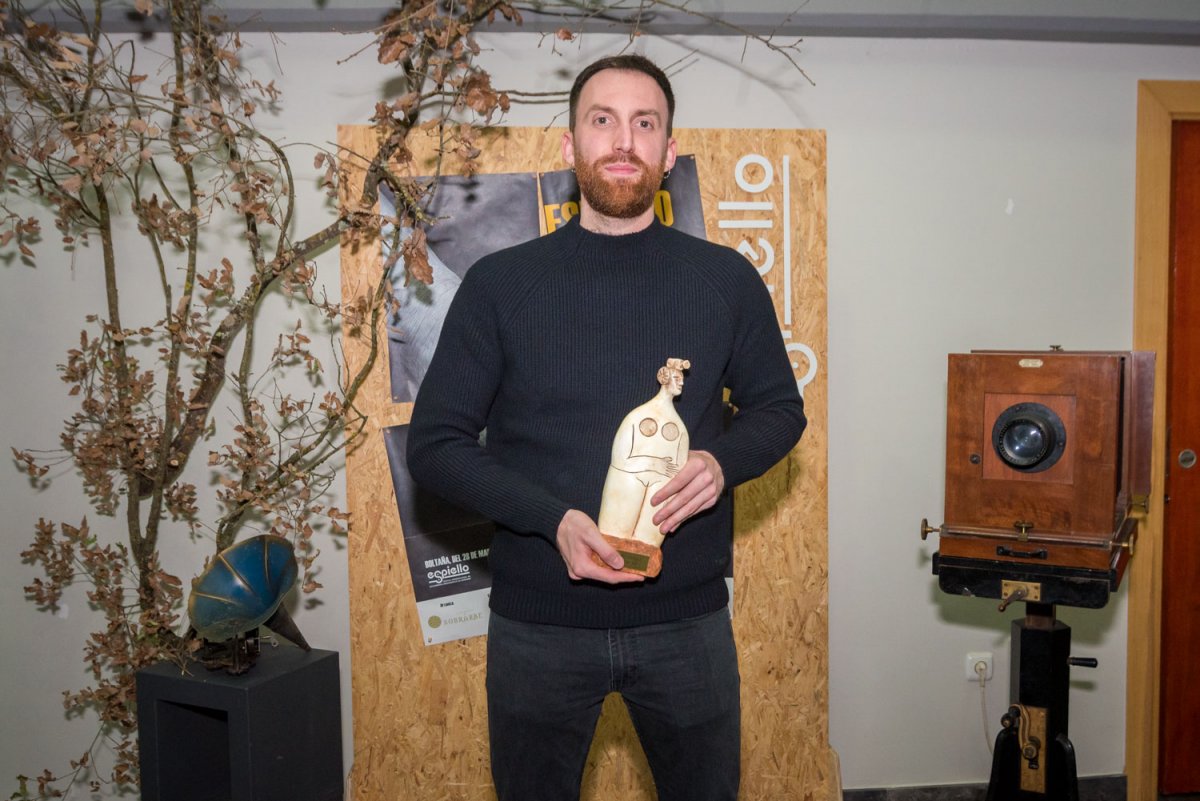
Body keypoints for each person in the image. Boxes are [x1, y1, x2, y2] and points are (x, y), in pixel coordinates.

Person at [407, 54, 807, 801]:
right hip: (539, 626)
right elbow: (435, 446)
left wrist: (721, 464)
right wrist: (552, 520)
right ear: (570, 145)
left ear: (668, 151)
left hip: (686, 624)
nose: (624, 140)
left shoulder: (725, 280)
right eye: (603, 120)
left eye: (644, 123)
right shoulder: (500, 285)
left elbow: (781, 410)